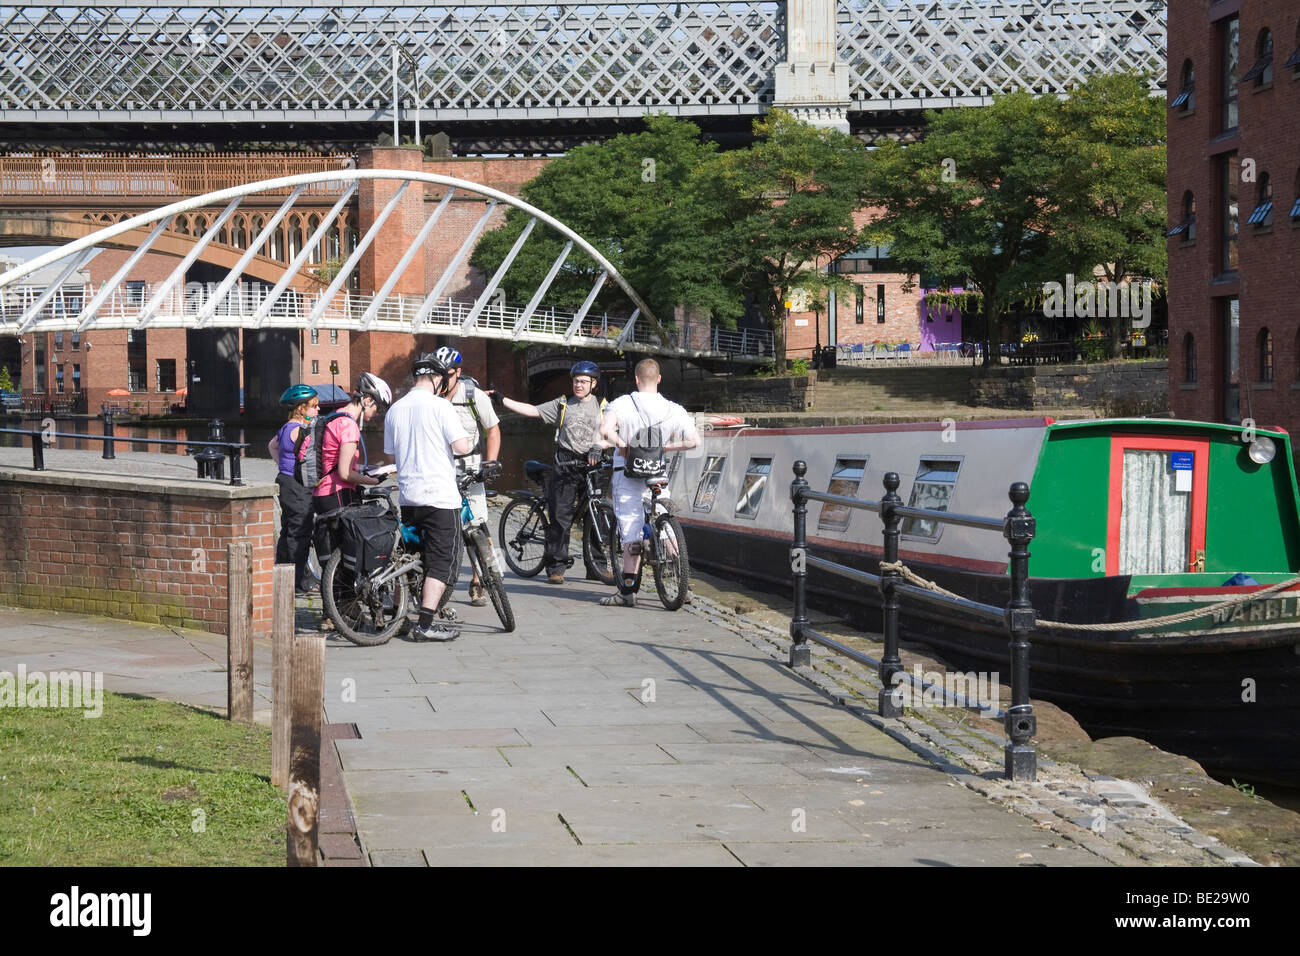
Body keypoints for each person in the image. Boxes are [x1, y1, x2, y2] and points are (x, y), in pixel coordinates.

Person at [488, 360, 609, 584]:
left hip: (592, 465)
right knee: (560, 518)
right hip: (566, 464)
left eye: (583, 381)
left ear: (594, 384)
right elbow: (533, 410)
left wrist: (600, 446)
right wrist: (502, 399)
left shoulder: (603, 405)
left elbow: (612, 433)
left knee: (596, 516)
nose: (578, 385)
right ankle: (556, 567)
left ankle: (597, 567)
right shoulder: (563, 404)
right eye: (575, 381)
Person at [385, 352, 474, 642]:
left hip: (409, 498)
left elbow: (390, 454)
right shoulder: (441, 407)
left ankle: (399, 615)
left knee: (410, 557)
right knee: (440, 560)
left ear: (415, 379)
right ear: (437, 379)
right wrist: (470, 438)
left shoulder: (395, 410)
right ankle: (424, 624)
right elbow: (461, 447)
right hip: (440, 497)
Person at [598, 357, 699, 607]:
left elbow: (604, 430)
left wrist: (623, 444)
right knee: (665, 524)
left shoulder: (622, 404)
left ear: (636, 379)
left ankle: (628, 592)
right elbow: (693, 441)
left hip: (628, 473)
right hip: (657, 472)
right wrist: (664, 447)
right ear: (659, 379)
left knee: (631, 529)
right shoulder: (674, 409)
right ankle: (681, 584)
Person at [428, 346, 501, 606]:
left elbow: (492, 429)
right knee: (438, 529)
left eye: (446, 374)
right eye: (437, 374)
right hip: (438, 471)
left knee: (477, 525)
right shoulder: (428, 397)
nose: (441, 380)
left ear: (458, 372)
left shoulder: (474, 396)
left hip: (469, 468)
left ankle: (480, 579)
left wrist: (490, 463)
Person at [309, 372, 393, 559]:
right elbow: (345, 473)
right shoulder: (349, 426)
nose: (376, 414)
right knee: (348, 557)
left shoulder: (336, 416)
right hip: (338, 493)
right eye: (377, 408)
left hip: (322, 493)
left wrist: (368, 468)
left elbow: (336, 460)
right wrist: (372, 481)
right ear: (368, 400)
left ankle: (333, 588)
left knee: (333, 558)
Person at [268, 384, 320, 594]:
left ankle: (283, 575)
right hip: (297, 486)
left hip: (285, 481)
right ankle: (298, 583)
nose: (318, 410)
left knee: (288, 530)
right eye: (314, 406)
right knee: (300, 533)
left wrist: (283, 465)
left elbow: (271, 446)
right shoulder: (300, 430)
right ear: (301, 408)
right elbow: (312, 456)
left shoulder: (285, 428)